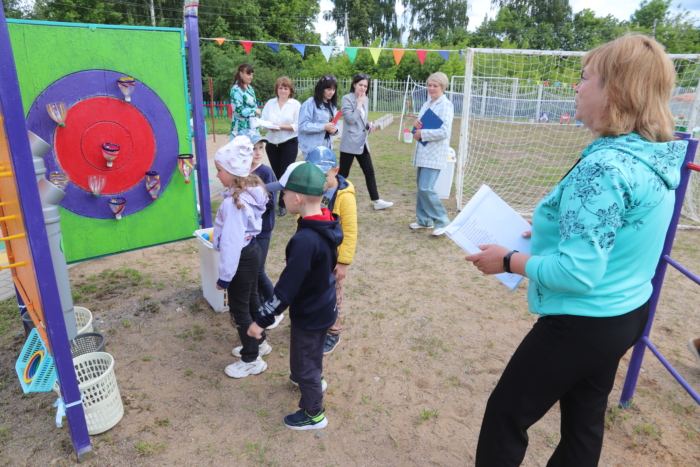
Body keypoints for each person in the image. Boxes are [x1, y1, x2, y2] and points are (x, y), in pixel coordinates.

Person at [465, 34, 687, 466]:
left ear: (614, 91)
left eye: (585, 78)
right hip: (624, 312)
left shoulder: (604, 168)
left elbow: (577, 272)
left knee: (506, 416)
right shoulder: (650, 157)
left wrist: (508, 260)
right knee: (583, 425)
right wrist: (547, 230)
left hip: (581, 320)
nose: (576, 88)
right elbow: (614, 232)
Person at [249, 161, 343, 430]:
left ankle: (314, 414)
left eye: (284, 193)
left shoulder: (305, 240)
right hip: (323, 305)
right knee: (308, 355)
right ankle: (306, 376)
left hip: (311, 313)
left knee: (306, 363)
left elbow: (286, 289)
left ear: (297, 198)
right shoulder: (325, 220)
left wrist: (261, 320)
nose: (282, 197)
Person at [212, 136, 269, 378]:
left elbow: (232, 243)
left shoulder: (233, 203)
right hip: (252, 251)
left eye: (219, 171)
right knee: (253, 299)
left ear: (234, 173)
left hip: (241, 258)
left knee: (240, 308)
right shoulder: (246, 192)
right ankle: (260, 342)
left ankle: (251, 359)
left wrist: (224, 278)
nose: (217, 176)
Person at [304, 146, 357, 355]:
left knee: (333, 295)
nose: (320, 181)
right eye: (315, 176)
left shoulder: (345, 197)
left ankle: (333, 332)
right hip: (314, 255)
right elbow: (303, 219)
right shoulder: (312, 190)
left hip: (333, 260)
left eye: (324, 176)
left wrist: (343, 262)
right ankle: (316, 322)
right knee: (314, 290)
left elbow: (350, 230)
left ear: (335, 170)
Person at [339, 73, 393, 210]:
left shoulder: (366, 99)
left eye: (365, 86)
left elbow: (360, 120)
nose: (363, 88)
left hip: (362, 143)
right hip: (350, 143)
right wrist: (359, 104)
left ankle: (376, 201)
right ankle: (332, 197)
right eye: (360, 85)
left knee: (369, 172)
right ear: (354, 85)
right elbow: (350, 119)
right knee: (343, 174)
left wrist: (368, 125)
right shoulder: (347, 99)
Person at [410, 72, 454, 236]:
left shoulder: (446, 105)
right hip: (423, 151)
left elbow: (444, 131)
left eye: (435, 86)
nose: (431, 88)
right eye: (429, 85)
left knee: (426, 188)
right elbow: (422, 123)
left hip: (435, 153)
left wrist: (424, 134)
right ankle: (424, 220)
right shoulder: (427, 103)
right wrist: (416, 124)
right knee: (421, 188)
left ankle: (442, 221)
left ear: (442, 87)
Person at [261, 76, 301, 217]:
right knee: (278, 173)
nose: (283, 91)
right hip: (272, 143)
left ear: (290, 90)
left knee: (285, 173)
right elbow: (263, 121)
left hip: (289, 142)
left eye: (286, 88)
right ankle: (288, 196)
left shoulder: (295, 105)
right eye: (280, 88)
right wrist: (269, 127)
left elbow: (298, 125)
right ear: (276, 89)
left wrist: (281, 127)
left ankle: (282, 204)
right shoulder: (270, 104)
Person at [298, 75, 339, 158]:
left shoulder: (332, 106)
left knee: (326, 171)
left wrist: (335, 130)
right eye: (329, 89)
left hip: (328, 146)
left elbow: (336, 124)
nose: (332, 92)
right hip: (312, 148)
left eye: (333, 89)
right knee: (315, 171)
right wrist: (323, 127)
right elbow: (303, 125)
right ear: (321, 89)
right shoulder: (309, 104)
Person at [229, 63, 260, 139]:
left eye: (252, 75)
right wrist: (254, 111)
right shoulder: (236, 90)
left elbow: (254, 104)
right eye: (248, 74)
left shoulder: (249, 88)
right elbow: (238, 110)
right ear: (241, 74)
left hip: (252, 126)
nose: (251, 77)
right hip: (241, 128)